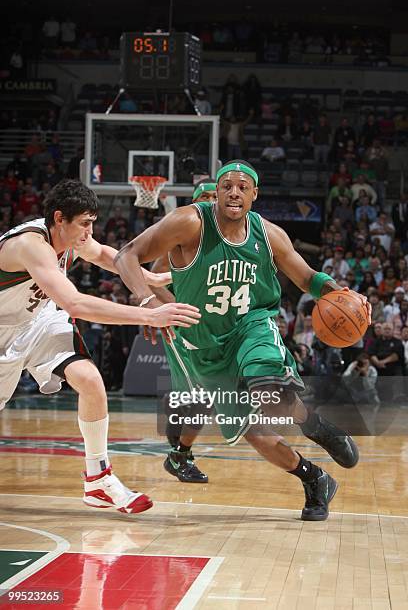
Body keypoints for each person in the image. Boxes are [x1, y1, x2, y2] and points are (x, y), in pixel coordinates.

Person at [115, 161, 371, 522]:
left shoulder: (269, 234)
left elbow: (307, 278)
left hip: (252, 326)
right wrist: (147, 303)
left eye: (242, 187)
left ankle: (322, 430)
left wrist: (336, 292)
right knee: (253, 432)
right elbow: (127, 255)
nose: (234, 192)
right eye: (227, 186)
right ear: (216, 192)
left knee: (269, 387)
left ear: (254, 194)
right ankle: (315, 478)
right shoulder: (189, 223)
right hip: (204, 345)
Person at [0, 180, 201, 514]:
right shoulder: (31, 245)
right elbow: (76, 304)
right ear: (59, 218)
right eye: (85, 223)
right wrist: (149, 315)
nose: (89, 231)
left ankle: (98, 480)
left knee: (91, 381)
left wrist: (150, 280)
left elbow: (105, 255)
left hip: (37, 321)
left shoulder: (71, 236)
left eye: (93, 223)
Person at [150, 178, 217, 483]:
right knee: (206, 394)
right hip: (182, 325)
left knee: (200, 394)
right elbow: (152, 281)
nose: (211, 200)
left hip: (211, 327)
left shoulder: (224, 239)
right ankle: (180, 458)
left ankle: (175, 413)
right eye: (204, 195)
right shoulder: (181, 236)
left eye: (214, 196)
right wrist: (175, 308)